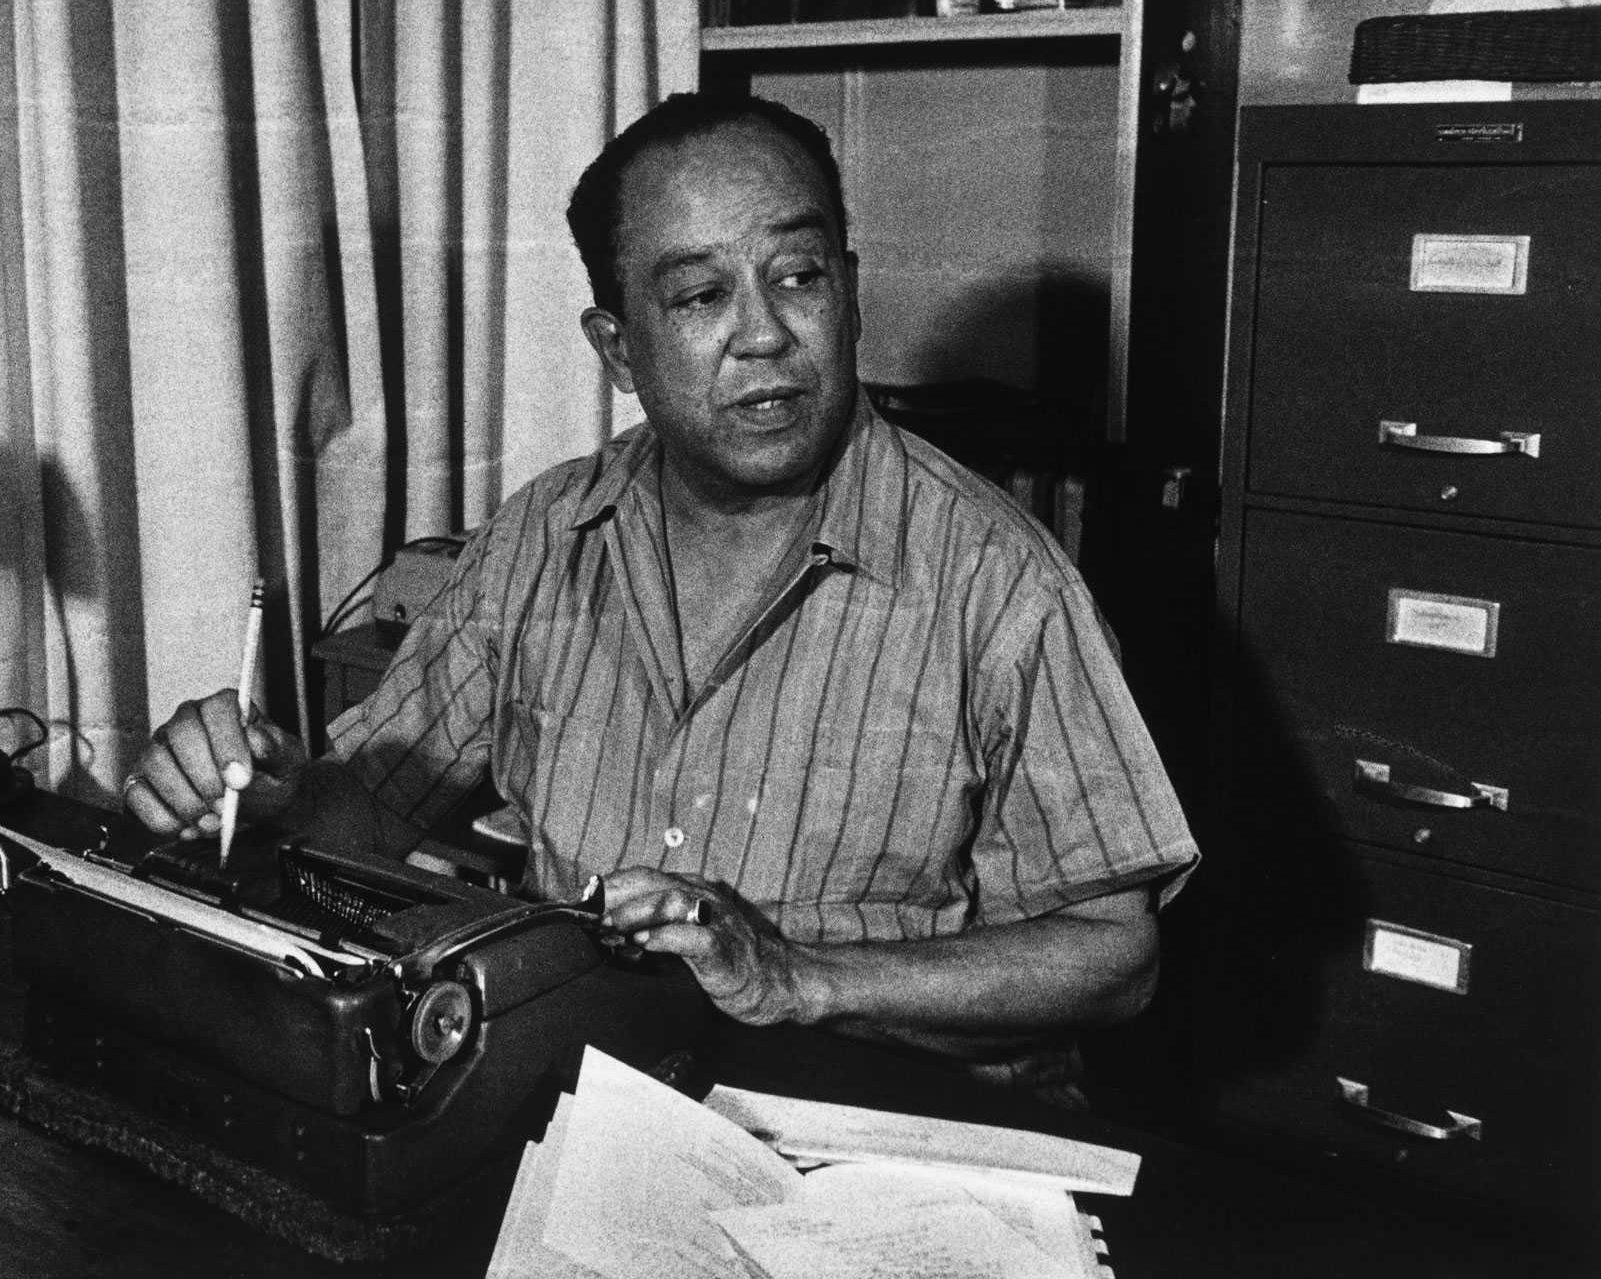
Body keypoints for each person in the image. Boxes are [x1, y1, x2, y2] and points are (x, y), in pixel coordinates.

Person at [123, 91, 1198, 1091]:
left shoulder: (996, 579)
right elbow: (364, 806)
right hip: (593, 1090)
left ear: (851, 291)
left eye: (799, 275)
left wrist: (796, 976)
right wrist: (259, 799)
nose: (765, 333)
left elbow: (1114, 958)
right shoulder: (545, 535)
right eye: (698, 296)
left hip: (879, 1127)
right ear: (617, 350)